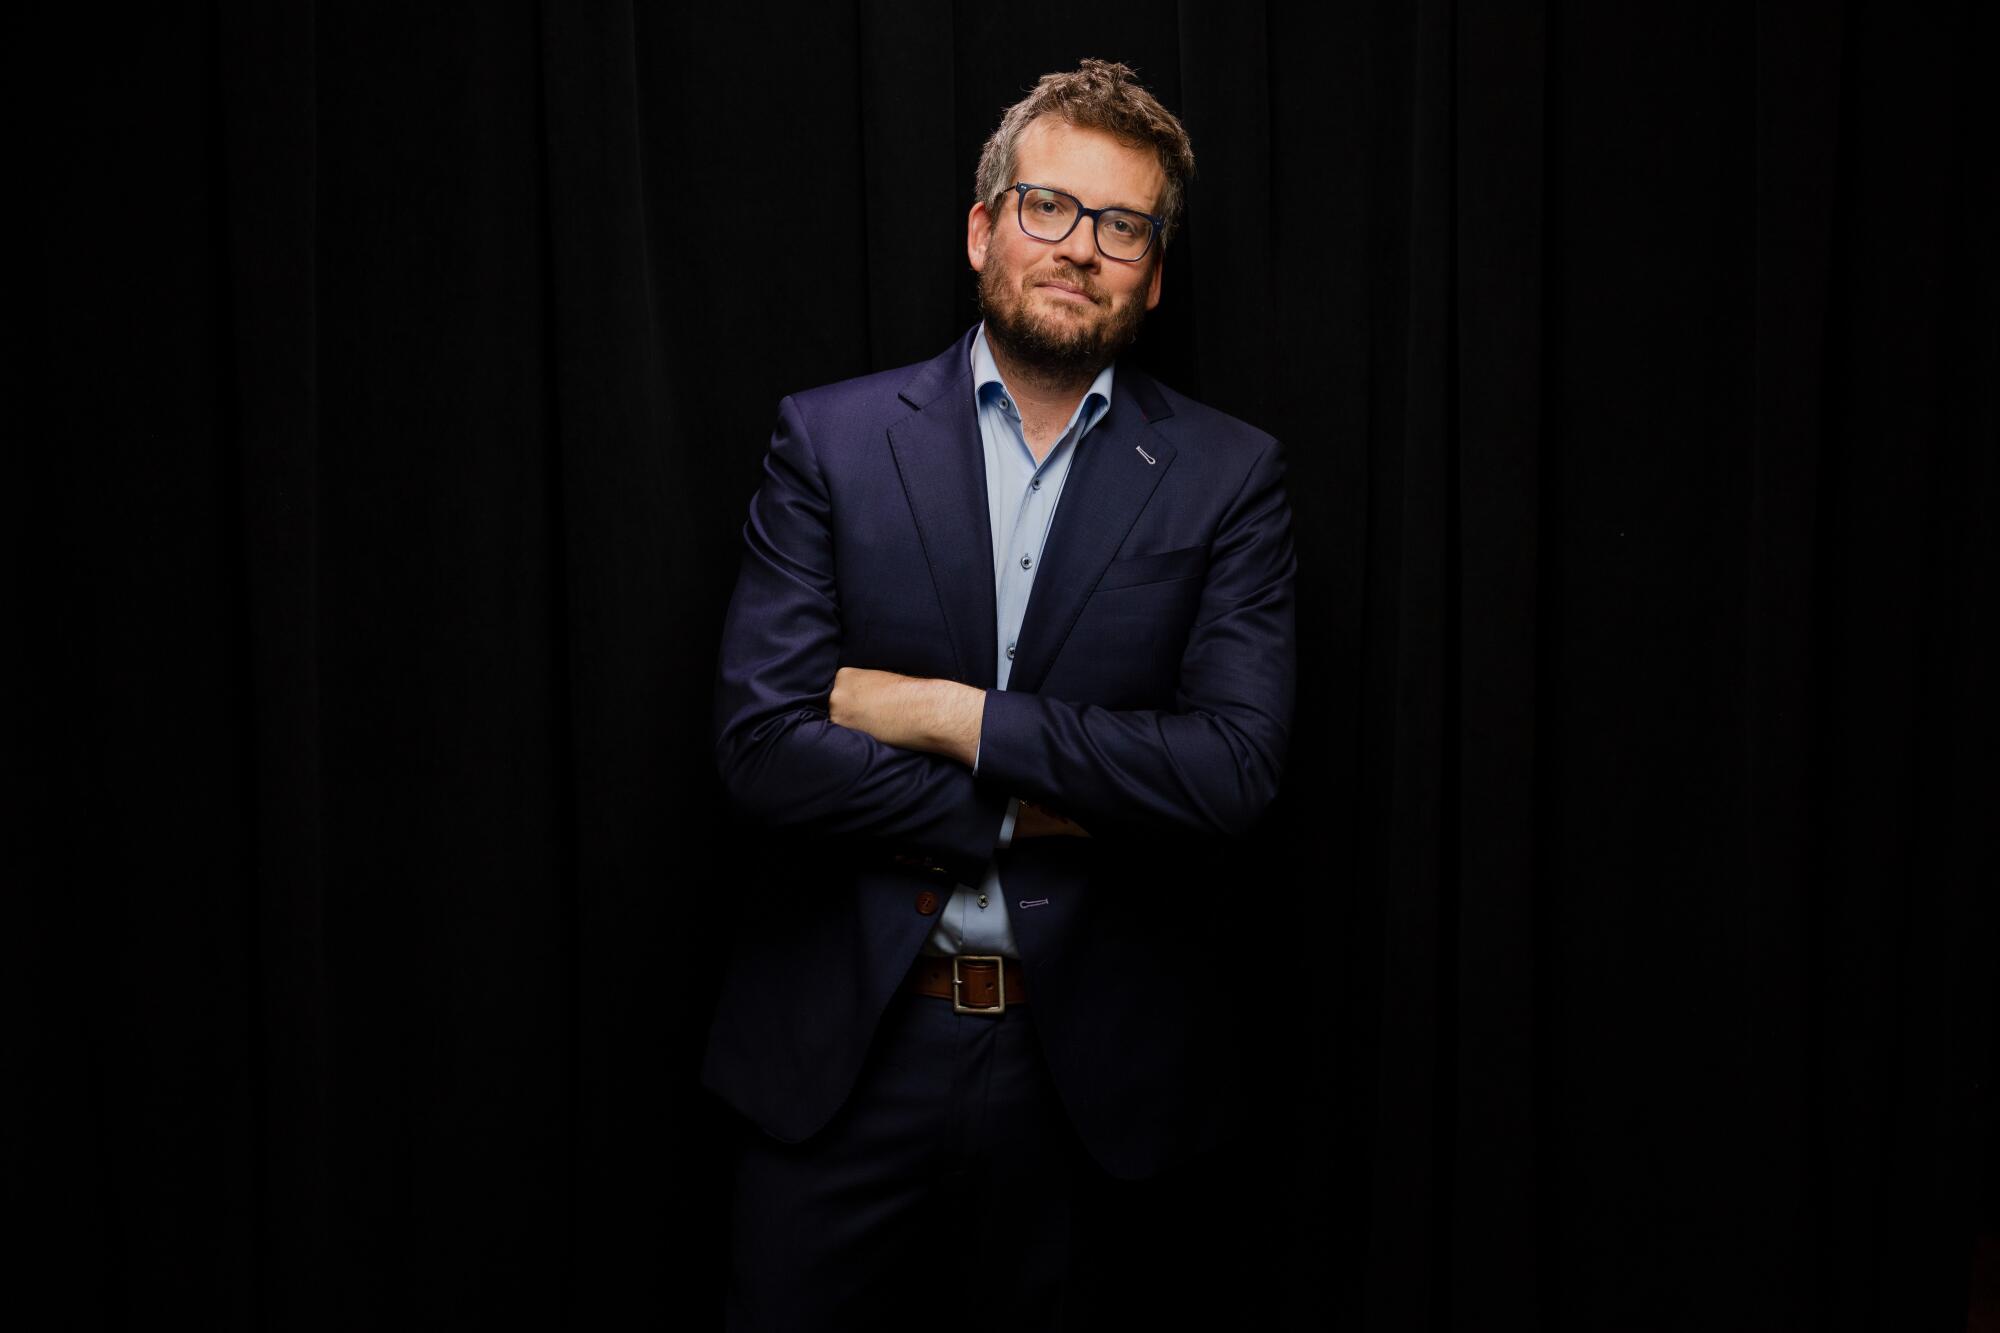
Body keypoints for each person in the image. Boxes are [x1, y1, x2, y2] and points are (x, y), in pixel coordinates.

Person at [704, 58, 1297, 1328]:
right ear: (983, 230)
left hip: (1089, 1078)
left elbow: (1231, 772)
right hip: (846, 1061)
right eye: (1048, 208)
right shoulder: (831, 443)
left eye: (1121, 224)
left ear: (1148, 270)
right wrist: (1054, 804)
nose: (1080, 248)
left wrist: (947, 715)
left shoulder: (1227, 477)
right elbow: (761, 747)